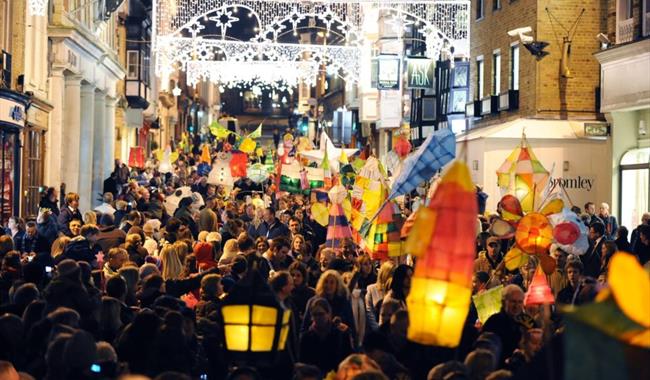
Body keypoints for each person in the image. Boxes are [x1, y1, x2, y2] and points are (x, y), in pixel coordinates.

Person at [299, 297, 354, 374]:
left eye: (321, 314)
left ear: (328, 314)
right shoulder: (306, 338)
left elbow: (348, 359)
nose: (318, 318)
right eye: (315, 315)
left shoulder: (341, 335)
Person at [482, 284, 530, 365]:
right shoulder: (494, 322)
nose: (516, 306)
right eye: (513, 302)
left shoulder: (528, 321)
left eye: (520, 302)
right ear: (503, 302)